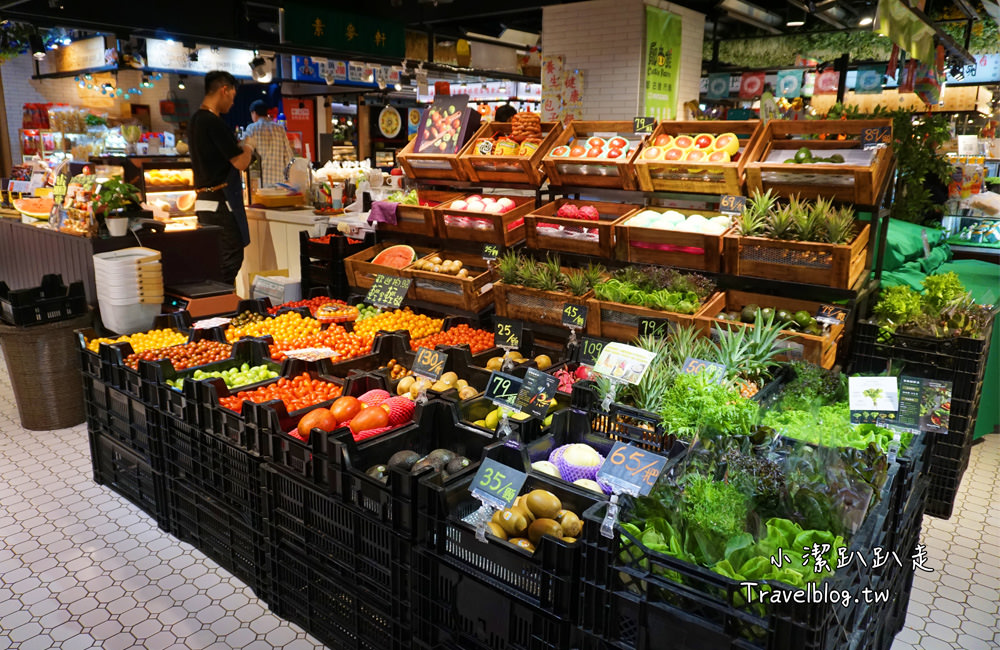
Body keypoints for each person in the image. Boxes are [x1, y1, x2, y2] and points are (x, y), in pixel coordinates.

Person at [188, 71, 252, 286]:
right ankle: (221, 305)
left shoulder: (195, 120)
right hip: (219, 201)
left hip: (203, 202)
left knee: (216, 258)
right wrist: (249, 147)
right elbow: (240, 163)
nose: (232, 104)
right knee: (231, 257)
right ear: (224, 90)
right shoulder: (212, 121)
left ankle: (218, 305)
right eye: (232, 97)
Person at [243, 99, 295, 188]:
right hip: (278, 182)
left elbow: (245, 155)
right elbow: (289, 156)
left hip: (259, 184)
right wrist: (288, 178)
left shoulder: (251, 129)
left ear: (254, 113)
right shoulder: (280, 129)